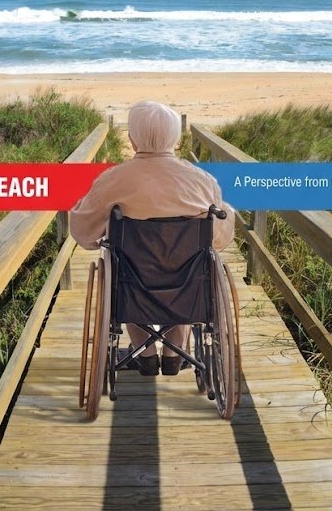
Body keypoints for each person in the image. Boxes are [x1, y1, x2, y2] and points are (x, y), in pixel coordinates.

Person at [70, 99, 235, 376]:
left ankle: (144, 354)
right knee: (188, 264)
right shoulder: (201, 180)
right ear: (176, 138)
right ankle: (173, 355)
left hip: (132, 288)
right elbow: (219, 238)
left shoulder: (113, 180)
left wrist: (94, 236)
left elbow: (84, 232)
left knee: (125, 266)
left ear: (133, 140)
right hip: (188, 288)